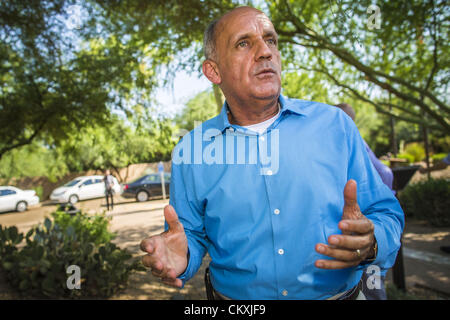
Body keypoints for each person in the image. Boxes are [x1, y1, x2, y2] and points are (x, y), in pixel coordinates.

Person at [140, 6, 404, 300]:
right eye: (244, 43)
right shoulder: (191, 150)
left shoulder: (335, 126)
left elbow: (386, 212)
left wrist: (372, 243)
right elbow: (189, 233)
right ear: (213, 71)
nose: (265, 51)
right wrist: (182, 255)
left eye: (271, 40)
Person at [334, 102, 394, 300]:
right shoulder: (348, 141)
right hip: (360, 226)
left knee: (371, 282)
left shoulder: (350, 141)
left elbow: (385, 173)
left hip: (365, 224)